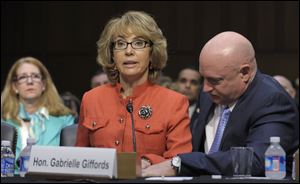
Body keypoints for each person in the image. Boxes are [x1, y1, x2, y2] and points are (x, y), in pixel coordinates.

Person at [142, 31, 299, 177]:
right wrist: (153, 162)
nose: (205, 88)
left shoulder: (272, 100)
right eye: (203, 78)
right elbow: (191, 148)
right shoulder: (211, 94)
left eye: (214, 80)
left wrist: (181, 164)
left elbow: (256, 160)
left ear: (245, 73)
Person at [75, 10, 192, 170]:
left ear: (152, 54)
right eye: (121, 44)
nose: (128, 51)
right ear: (112, 56)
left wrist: (148, 162)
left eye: (138, 43)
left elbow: (180, 161)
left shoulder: (174, 102)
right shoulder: (91, 98)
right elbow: (77, 160)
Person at [1, 56, 75, 172]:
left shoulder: (65, 121)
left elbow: (72, 162)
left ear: (44, 84)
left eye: (35, 76)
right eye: (23, 77)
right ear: (14, 86)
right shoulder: (3, 121)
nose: (30, 81)